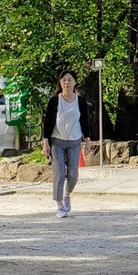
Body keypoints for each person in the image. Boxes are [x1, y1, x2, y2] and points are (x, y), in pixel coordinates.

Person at [42, 70, 92, 218]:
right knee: (59, 173)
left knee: (73, 174)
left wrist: (88, 139)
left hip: (75, 140)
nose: (67, 83)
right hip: (57, 140)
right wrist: (45, 142)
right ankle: (59, 205)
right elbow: (48, 122)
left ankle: (67, 194)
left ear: (75, 82)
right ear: (60, 82)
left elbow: (84, 121)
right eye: (64, 80)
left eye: (70, 80)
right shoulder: (54, 101)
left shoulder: (80, 101)